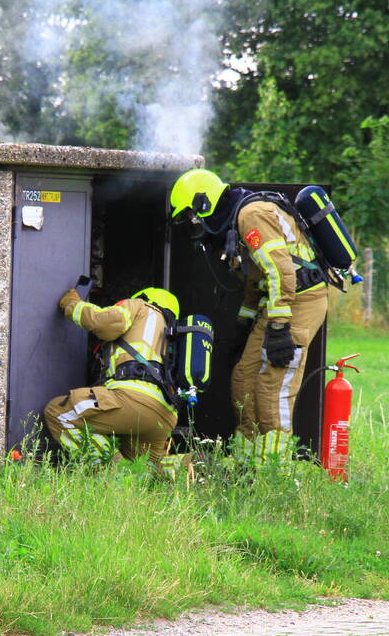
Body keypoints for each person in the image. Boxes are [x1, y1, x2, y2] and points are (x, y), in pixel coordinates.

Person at [168, 168, 329, 466]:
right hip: (278, 302)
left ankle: (274, 472)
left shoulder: (252, 215)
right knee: (243, 379)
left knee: (272, 388)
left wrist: (279, 328)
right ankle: (247, 465)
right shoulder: (238, 220)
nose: (197, 224)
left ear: (204, 203)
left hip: (301, 300)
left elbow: (280, 272)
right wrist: (244, 325)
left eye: (193, 216)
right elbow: (258, 280)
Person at [42, 286, 191, 479]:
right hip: (165, 415)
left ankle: (113, 476)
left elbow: (104, 323)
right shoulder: (173, 335)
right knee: (145, 468)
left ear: (146, 297)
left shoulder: (140, 306)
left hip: (133, 398)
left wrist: (72, 305)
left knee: (58, 413)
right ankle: (190, 466)